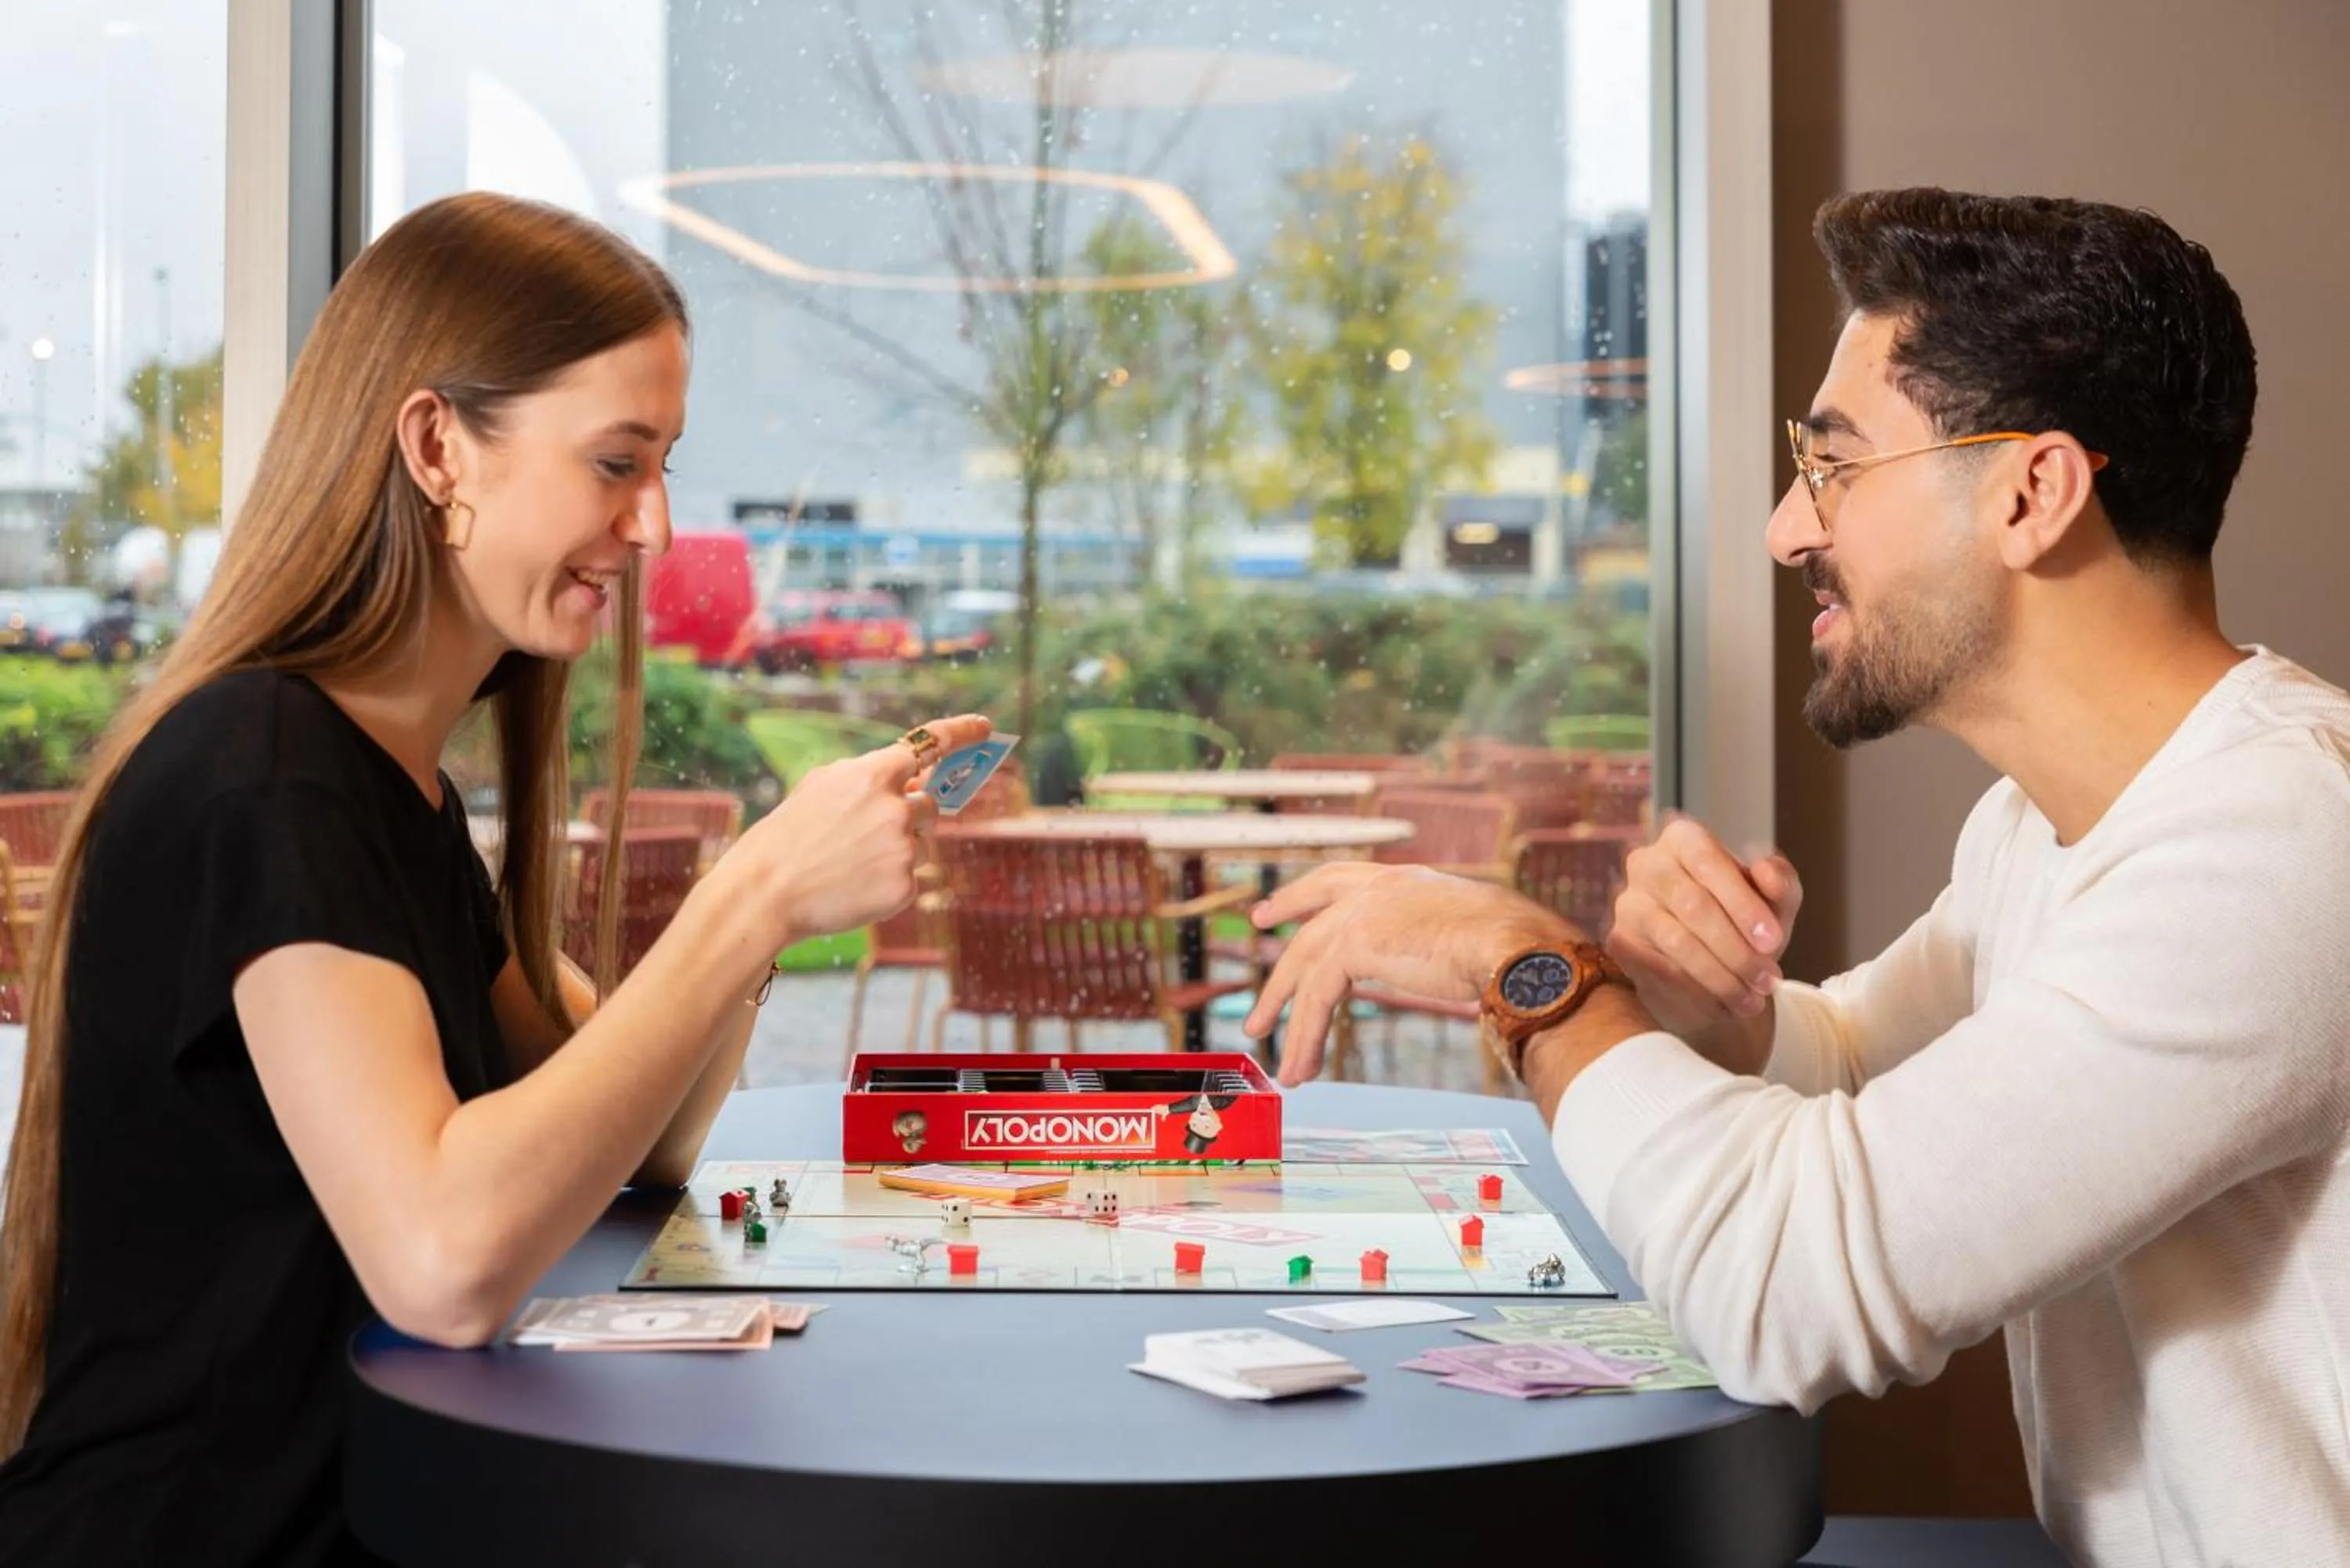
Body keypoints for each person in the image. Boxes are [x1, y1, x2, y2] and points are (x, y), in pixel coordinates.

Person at [1246, 188, 2349, 1567]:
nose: (1786, 529)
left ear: (2032, 491)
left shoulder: (2281, 845)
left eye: (1834, 467)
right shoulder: (2046, 825)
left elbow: (1786, 1288)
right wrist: (1715, 1011)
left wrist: (1527, 967)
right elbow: (1853, 1064)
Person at [0, 192, 988, 1566]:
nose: (650, 527)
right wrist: (751, 892)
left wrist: (783, 908)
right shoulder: (267, 774)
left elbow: (637, 1137)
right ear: (436, 446)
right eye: (616, 463)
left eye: (663, 469)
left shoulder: (390, 792)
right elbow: (445, 1260)